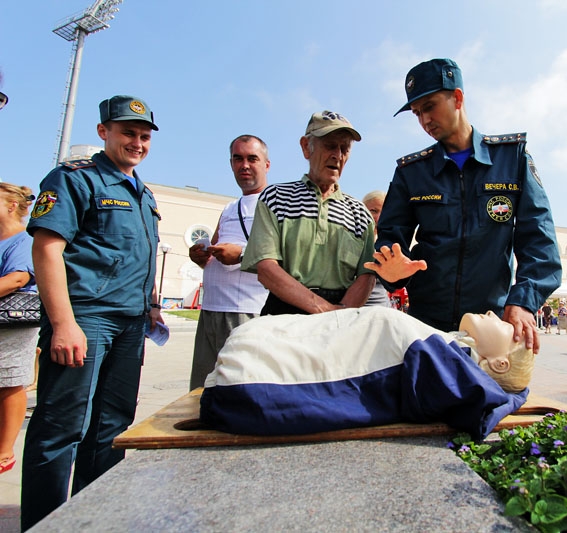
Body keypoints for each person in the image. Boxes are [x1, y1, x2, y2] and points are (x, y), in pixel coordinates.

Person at [21, 95, 163, 530]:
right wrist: (63, 323)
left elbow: (141, 254)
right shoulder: (74, 179)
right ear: (104, 132)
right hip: (86, 319)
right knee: (60, 428)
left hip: (129, 323)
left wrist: (152, 306)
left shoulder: (143, 192)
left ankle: (91, 518)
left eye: (144, 135)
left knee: (111, 427)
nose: (137, 142)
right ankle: (43, 523)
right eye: (128, 133)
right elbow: (47, 247)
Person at [365, 58, 561, 354]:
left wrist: (523, 301)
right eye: (417, 113)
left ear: (457, 97)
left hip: (490, 324)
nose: (424, 121)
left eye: (429, 106)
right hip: (427, 326)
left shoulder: (512, 159)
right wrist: (392, 269)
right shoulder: (411, 172)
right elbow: (391, 237)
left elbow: (539, 241)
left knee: (491, 397)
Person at [200, 307, 534, 440]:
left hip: (251, 373)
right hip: (252, 358)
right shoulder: (448, 352)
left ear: (499, 364)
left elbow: (480, 401)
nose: (494, 312)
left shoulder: (447, 368)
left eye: (508, 330)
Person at [241, 110, 376, 315]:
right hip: (284, 312)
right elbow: (266, 268)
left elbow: (367, 275)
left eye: (344, 148)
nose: (337, 155)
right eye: (330, 145)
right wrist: (325, 311)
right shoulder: (276, 197)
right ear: (306, 147)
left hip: (341, 313)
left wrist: (341, 313)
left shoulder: (360, 213)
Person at [188, 135, 270, 390]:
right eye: (238, 159)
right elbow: (213, 252)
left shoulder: (276, 203)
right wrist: (200, 257)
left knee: (238, 391)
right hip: (211, 311)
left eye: (252, 158)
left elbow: (288, 259)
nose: (244, 165)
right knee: (201, 393)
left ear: (266, 164)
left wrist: (242, 255)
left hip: (245, 311)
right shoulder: (229, 208)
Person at [0, 183, 37, 475]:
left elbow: (17, 278)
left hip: (12, 322)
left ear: (12, 206)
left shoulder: (22, 240)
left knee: (10, 382)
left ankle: (4, 450)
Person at [362, 190, 392, 308]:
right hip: (353, 312)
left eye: (384, 212)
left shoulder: (388, 247)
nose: (379, 217)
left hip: (384, 310)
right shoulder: (348, 242)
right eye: (373, 211)